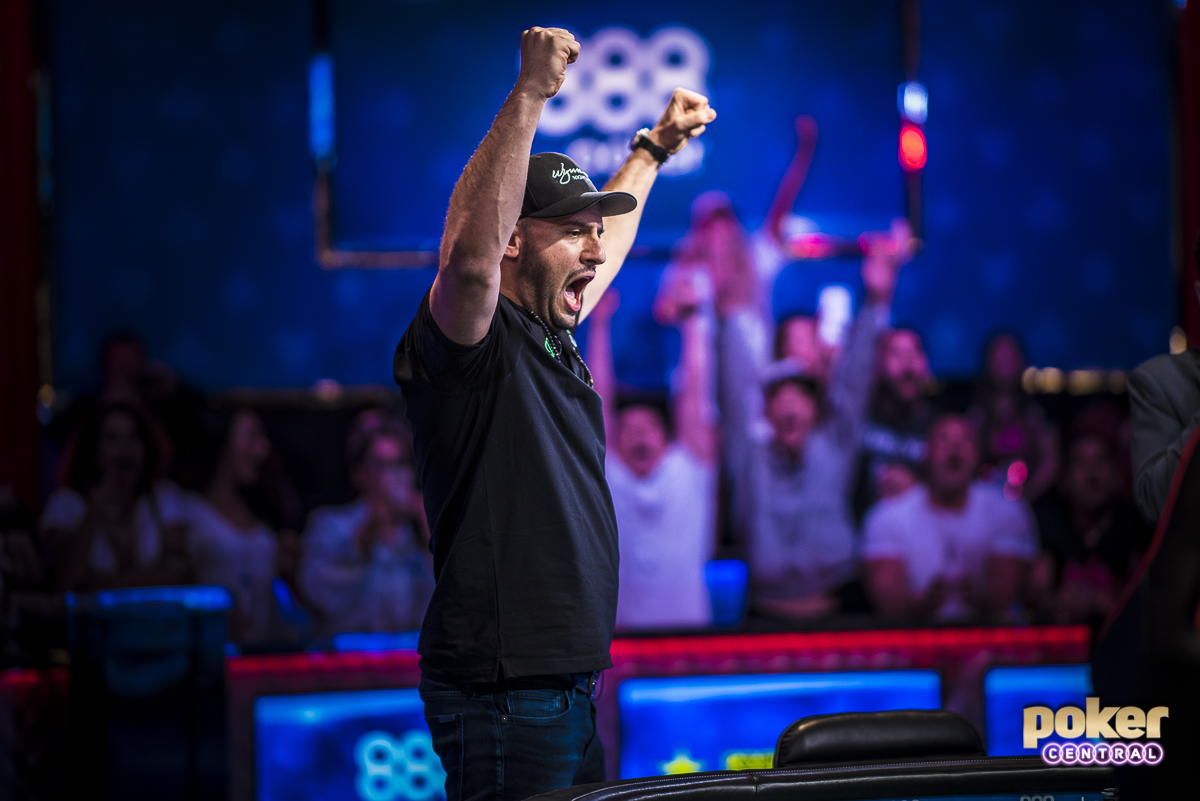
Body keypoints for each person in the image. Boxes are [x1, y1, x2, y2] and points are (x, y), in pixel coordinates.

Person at [391, 26, 714, 799]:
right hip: (507, 690)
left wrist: (653, 149)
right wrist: (531, 92)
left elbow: (618, 239)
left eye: (593, 232)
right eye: (573, 231)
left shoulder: (547, 330)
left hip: (565, 687)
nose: (594, 251)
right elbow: (466, 259)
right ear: (513, 242)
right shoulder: (474, 339)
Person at [718, 220, 912, 620]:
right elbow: (737, 391)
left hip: (836, 613)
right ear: (768, 411)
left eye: (801, 397)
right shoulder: (749, 454)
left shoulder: (835, 444)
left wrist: (877, 298)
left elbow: (856, 379)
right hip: (763, 617)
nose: (791, 405)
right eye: (780, 397)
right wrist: (731, 310)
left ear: (815, 408)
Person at [587, 274, 717, 632]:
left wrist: (692, 322)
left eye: (648, 429)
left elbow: (695, 392)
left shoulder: (688, 469)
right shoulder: (611, 477)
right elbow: (598, 399)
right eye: (628, 430)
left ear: (667, 439)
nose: (639, 436)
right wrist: (599, 324)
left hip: (691, 638)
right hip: (623, 643)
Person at [862, 414, 1038, 622]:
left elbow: (1005, 593)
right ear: (926, 453)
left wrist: (981, 601)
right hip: (914, 645)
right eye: (944, 439)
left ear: (978, 454)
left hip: (992, 645)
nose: (955, 446)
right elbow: (888, 603)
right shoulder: (887, 516)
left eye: (965, 439)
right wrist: (921, 605)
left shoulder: (1008, 512)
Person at [299, 422, 433, 637]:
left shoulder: (416, 536)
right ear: (359, 473)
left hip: (406, 661)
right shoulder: (329, 526)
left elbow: (441, 612)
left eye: (400, 464)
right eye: (382, 465)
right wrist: (366, 536)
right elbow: (317, 594)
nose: (394, 475)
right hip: (347, 661)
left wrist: (430, 538)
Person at [40, 402, 190, 591]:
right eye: (113, 438)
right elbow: (66, 580)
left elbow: (176, 574)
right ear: (93, 451)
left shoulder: (164, 496)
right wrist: (96, 507)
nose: (125, 449)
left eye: (134, 437)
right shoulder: (66, 504)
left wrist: (96, 584)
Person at [183, 408, 284, 646]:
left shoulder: (263, 511)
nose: (263, 449)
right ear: (223, 441)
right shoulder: (187, 512)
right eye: (253, 437)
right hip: (208, 656)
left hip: (261, 656)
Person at [1030, 431, 1152, 625]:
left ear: (1116, 474)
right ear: (1064, 479)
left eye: (1101, 460)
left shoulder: (1133, 521)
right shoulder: (1049, 523)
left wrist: (1118, 601)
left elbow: (1147, 592)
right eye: (1081, 463)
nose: (1092, 472)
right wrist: (1056, 604)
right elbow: (1036, 595)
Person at [853, 327, 936, 521]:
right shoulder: (858, 419)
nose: (907, 363)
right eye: (896, 353)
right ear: (877, 365)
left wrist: (918, 487)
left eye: (915, 353)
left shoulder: (940, 429)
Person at [969, 333, 1059, 502]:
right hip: (983, 503)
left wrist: (1027, 498)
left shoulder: (1038, 413)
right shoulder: (974, 415)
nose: (1004, 361)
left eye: (1010, 355)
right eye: (998, 356)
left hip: (1031, 502)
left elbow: (1050, 462)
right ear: (987, 363)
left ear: (1023, 361)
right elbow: (966, 461)